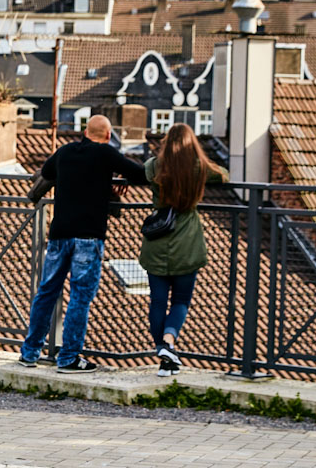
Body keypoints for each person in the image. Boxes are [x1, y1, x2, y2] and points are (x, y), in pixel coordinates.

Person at [18, 114, 143, 372]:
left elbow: (47, 171)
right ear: (108, 136)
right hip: (88, 236)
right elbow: (140, 175)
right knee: (79, 297)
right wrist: (114, 182)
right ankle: (68, 357)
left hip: (59, 234)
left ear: (85, 132)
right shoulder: (106, 155)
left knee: (47, 292)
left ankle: (30, 352)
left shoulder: (64, 152)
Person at [138, 124, 225, 373]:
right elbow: (224, 174)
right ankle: (168, 343)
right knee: (181, 301)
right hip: (187, 242)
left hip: (157, 241)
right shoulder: (199, 167)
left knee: (157, 302)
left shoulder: (154, 165)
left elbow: (140, 172)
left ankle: (164, 356)